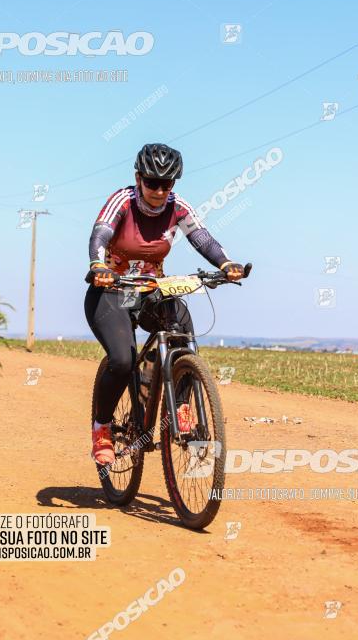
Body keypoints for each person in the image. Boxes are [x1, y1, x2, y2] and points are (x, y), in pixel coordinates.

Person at [85, 142, 245, 466]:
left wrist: (225, 263)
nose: (159, 191)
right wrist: (98, 265)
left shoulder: (178, 206)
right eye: (152, 182)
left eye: (166, 184)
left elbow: (201, 237)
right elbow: (100, 234)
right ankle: (102, 428)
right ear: (138, 177)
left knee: (182, 330)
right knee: (122, 359)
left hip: (149, 290)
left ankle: (182, 405)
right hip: (112, 291)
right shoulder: (123, 201)